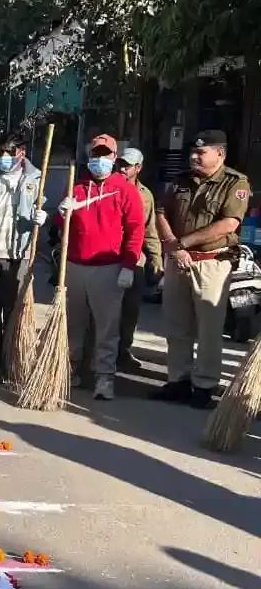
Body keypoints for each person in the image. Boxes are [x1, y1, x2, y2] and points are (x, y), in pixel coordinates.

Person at [153, 130, 251, 409]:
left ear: (220, 154)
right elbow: (161, 213)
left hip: (212, 262)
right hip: (178, 260)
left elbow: (229, 223)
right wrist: (173, 245)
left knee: (208, 328)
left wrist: (182, 242)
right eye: (193, 152)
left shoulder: (235, 182)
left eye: (201, 152)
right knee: (176, 325)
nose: (194, 156)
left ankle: (205, 385)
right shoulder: (180, 180)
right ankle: (178, 380)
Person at [55, 134, 144, 401]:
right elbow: (63, 229)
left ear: (114, 158)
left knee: (107, 328)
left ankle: (104, 377)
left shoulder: (124, 189)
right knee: (72, 325)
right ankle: (69, 371)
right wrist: (60, 214)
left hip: (109, 268)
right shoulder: (77, 187)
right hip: (74, 265)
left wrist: (129, 265)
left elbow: (136, 230)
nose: (100, 160)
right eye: (96, 155)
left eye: (105, 155)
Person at [0, 134, 49, 379]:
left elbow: (43, 206)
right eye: (0, 152)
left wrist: (41, 217)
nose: (3, 157)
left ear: (21, 153)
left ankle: (11, 362)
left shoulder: (36, 178)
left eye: (9, 152)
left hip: (17, 254)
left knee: (15, 310)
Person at [114, 147, 163, 371]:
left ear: (138, 168)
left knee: (130, 310)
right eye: (121, 163)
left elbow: (149, 229)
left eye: (128, 165)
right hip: (107, 258)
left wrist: (156, 259)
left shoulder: (145, 195)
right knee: (103, 310)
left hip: (135, 260)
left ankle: (123, 352)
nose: (123, 168)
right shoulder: (108, 187)